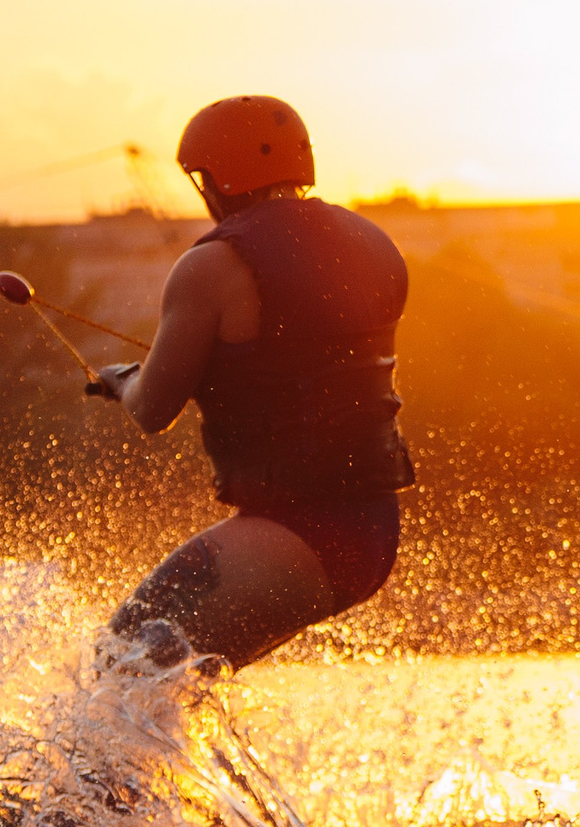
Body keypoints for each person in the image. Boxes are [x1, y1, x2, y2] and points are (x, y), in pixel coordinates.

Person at [88, 95, 416, 671]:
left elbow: (152, 409)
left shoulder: (210, 267)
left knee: (121, 660)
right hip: (370, 529)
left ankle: (105, 767)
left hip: (293, 534)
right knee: (174, 685)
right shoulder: (374, 243)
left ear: (215, 179)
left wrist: (121, 382)